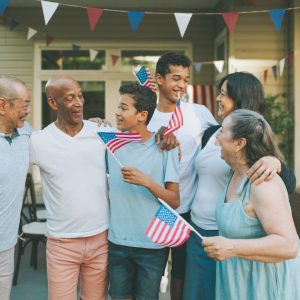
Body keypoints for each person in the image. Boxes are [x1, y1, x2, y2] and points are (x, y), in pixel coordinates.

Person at [183, 72, 296, 300]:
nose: (217, 98)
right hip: (200, 231)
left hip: (231, 237)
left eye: (224, 94)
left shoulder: (257, 164)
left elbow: (286, 187)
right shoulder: (211, 134)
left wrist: (277, 164)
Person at [202, 109, 300, 299]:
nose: (215, 139)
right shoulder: (234, 173)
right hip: (238, 282)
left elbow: (289, 245)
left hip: (265, 286)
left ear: (239, 143)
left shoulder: (262, 184)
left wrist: (230, 247)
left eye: (221, 132)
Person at [29, 76, 111, 300]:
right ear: (53, 103)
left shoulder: (102, 132)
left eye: (80, 95)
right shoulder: (39, 141)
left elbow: (139, 141)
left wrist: (165, 136)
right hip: (62, 244)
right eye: (70, 98)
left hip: (100, 239)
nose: (79, 103)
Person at [147, 52, 218, 300]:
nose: (181, 85)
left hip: (186, 208)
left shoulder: (198, 113)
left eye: (185, 79)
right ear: (159, 79)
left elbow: (224, 142)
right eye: (175, 78)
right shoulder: (145, 116)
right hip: (151, 208)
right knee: (151, 275)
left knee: (181, 276)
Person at [106, 83, 180, 300]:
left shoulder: (165, 147)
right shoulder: (110, 142)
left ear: (142, 115)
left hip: (153, 245)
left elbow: (174, 200)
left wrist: (147, 182)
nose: (117, 113)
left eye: (123, 108)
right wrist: (94, 123)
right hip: (118, 242)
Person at [0, 75, 31, 300]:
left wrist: (95, 125)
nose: (28, 110)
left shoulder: (25, 133)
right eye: (25, 104)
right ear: (3, 105)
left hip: (7, 245)